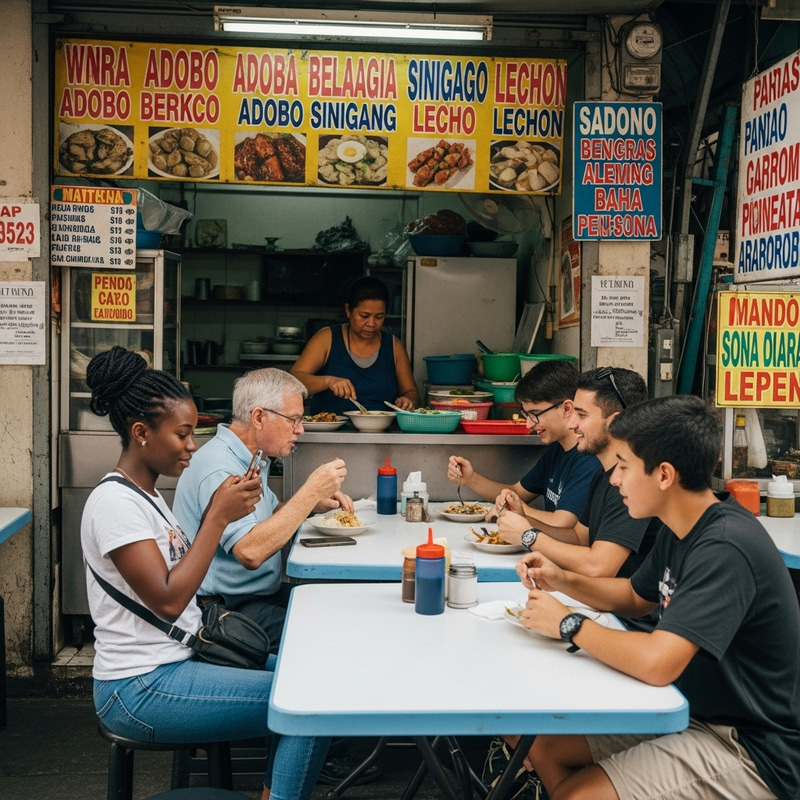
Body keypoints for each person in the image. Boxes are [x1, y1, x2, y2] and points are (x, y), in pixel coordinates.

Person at [516, 395, 800, 800]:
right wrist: (561, 579)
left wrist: (569, 624)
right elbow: (635, 596)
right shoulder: (681, 523)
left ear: (664, 475)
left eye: (625, 467)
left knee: (577, 795)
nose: (614, 480)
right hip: (691, 709)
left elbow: (657, 662)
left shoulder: (724, 546)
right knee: (541, 745)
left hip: (748, 746)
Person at [81, 346, 329, 800]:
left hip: (183, 658)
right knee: (310, 703)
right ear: (141, 433)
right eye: (182, 434)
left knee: (315, 677)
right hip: (140, 686)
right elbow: (170, 599)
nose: (193, 446)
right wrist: (217, 517)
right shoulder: (115, 503)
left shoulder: (148, 497)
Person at [173, 368, 351, 652]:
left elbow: (268, 513)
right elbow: (250, 551)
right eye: (294, 420)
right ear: (258, 417)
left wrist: (312, 505)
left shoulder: (248, 456)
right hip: (223, 610)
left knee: (336, 606)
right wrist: (309, 492)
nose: (300, 429)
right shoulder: (220, 467)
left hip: (255, 596)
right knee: (331, 634)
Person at [497, 367, 659, 582]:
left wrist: (529, 536)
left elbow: (599, 566)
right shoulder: (604, 473)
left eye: (581, 415)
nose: (572, 424)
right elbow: (579, 539)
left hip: (623, 614)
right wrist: (524, 520)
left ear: (615, 422)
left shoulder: (637, 480)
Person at [447, 360, 601, 531]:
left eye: (535, 414)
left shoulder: (589, 459)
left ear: (566, 408)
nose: (529, 424)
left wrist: (516, 508)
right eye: (526, 414)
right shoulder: (556, 449)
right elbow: (517, 492)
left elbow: (562, 523)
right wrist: (471, 478)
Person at [290, 275, 420, 414]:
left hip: (383, 433)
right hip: (330, 433)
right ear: (348, 310)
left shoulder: (394, 346)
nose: (371, 324)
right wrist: (328, 381)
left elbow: (411, 392)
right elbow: (293, 382)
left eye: (379, 317)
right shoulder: (327, 338)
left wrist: (408, 400)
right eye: (364, 316)